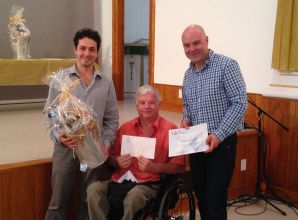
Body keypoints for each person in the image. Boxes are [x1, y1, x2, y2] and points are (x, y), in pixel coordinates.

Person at [44, 27, 119, 220]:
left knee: (88, 199)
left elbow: (112, 119)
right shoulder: (61, 81)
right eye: (83, 48)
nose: (87, 53)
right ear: (75, 50)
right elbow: (50, 113)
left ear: (97, 52)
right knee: (58, 200)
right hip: (66, 148)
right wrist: (58, 135)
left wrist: (107, 142)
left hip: (94, 148)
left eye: (92, 49)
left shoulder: (106, 83)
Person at [87, 85, 185, 220]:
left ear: (159, 104)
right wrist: (116, 161)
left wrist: (154, 167)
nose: (146, 107)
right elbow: (110, 159)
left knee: (134, 197)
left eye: (151, 102)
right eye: (142, 103)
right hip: (121, 181)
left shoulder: (171, 129)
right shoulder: (125, 128)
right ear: (136, 105)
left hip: (150, 183)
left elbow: (179, 166)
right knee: (94, 190)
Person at [180, 24, 247, 220]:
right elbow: (187, 105)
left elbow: (240, 104)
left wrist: (217, 135)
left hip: (222, 145)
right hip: (197, 145)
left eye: (196, 43)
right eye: (187, 45)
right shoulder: (188, 74)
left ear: (207, 40)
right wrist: (186, 120)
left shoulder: (227, 65)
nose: (192, 49)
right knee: (201, 198)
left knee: (215, 201)